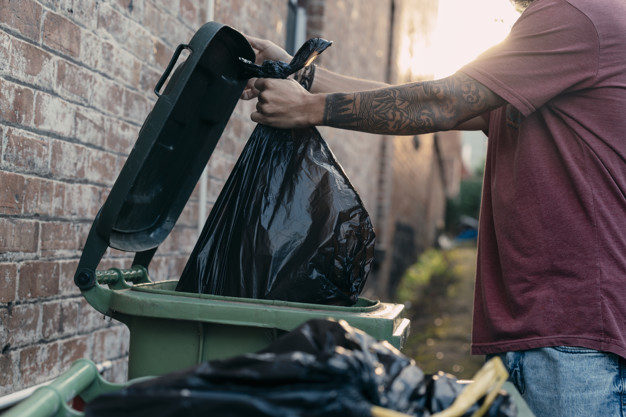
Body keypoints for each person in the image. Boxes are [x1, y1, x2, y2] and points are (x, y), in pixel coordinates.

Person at [241, 0, 626, 416]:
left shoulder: (578, 15)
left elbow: (445, 101)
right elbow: (437, 99)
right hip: (549, 329)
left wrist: (309, 109)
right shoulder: (569, 31)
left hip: (576, 332)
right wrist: (302, 74)